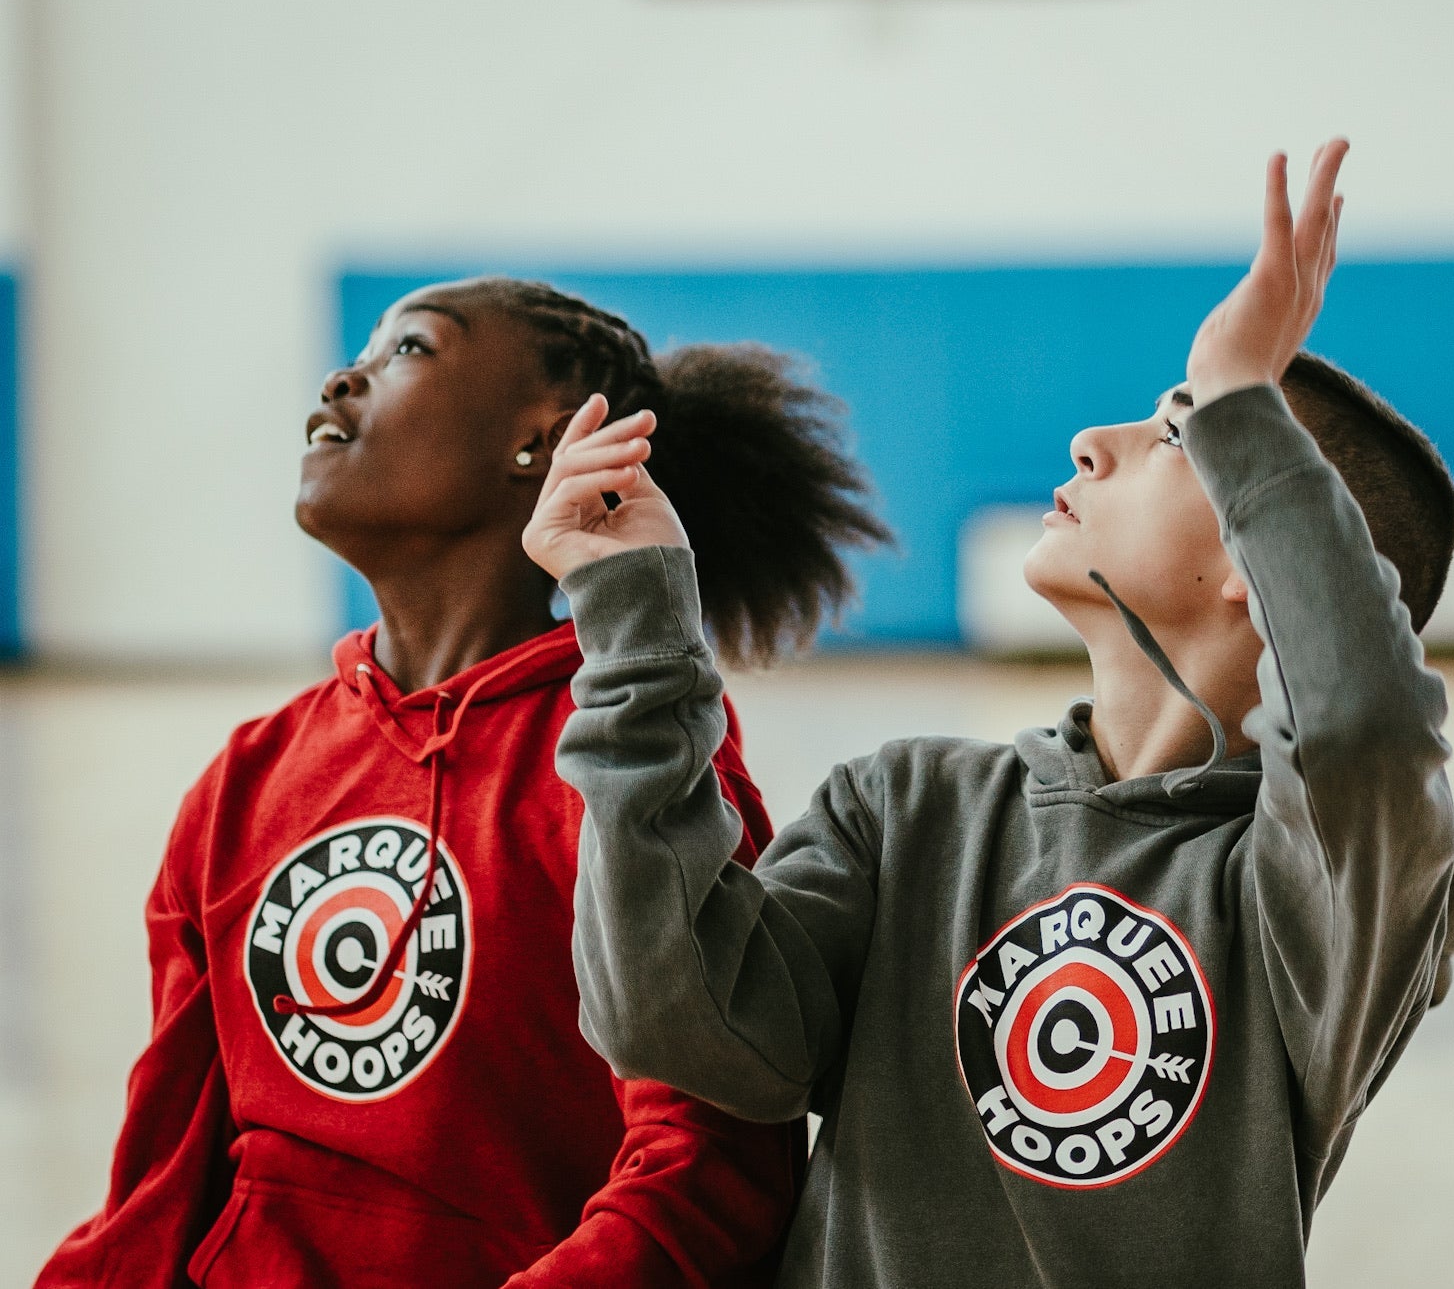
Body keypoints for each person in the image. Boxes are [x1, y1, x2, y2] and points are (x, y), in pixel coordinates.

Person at [528, 141, 1454, 1288]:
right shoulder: (905, 808)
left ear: (1262, 553)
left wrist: (1240, 392)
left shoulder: (1333, 893)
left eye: (1176, 437)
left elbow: (1366, 737)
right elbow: (677, 1021)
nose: (1095, 441)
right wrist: (633, 619)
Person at [38, 282, 892, 1288]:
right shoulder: (247, 777)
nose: (340, 376)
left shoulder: (633, 764)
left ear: (538, 440)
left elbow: (708, 1174)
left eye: (407, 349)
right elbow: (160, 1182)